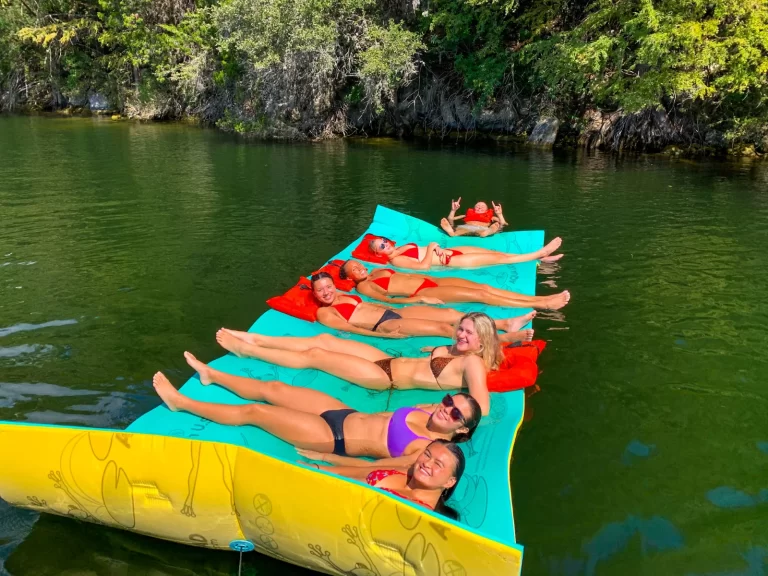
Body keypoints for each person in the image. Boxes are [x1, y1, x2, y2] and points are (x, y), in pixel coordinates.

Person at [152, 351, 483, 464]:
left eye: (456, 414)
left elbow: (375, 471)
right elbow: (443, 377)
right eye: (449, 402)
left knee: (257, 413)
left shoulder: (426, 449)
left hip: (333, 437)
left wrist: (328, 461)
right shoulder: (430, 408)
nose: (447, 409)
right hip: (344, 412)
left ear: (462, 428)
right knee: (275, 388)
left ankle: (180, 403)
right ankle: (212, 374)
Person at [214, 311, 503, 415]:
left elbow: (482, 406)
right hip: (389, 360)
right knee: (327, 339)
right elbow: (437, 357)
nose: (462, 335)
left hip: (384, 377)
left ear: (483, 341)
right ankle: (256, 339)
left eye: (470, 333)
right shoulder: (455, 348)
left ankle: (247, 351)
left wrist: (441, 410)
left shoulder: (473, 365)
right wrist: (435, 349)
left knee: (317, 356)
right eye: (462, 329)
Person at [311, 272, 535, 342]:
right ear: (314, 293)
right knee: (444, 329)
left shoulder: (342, 295)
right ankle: (499, 340)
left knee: (449, 314)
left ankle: (505, 323)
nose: (327, 292)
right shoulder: (325, 312)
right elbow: (350, 329)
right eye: (321, 290)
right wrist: (384, 337)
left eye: (328, 286)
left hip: (395, 312)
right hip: (385, 324)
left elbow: (373, 301)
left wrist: (416, 300)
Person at [305, 439, 466, 517]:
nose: (427, 463)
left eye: (438, 464)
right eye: (427, 454)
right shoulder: (405, 473)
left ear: (449, 482)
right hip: (318, 490)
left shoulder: (420, 514)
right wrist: (318, 467)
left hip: (331, 512)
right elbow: (358, 471)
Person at [339, 260, 571, 310]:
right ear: (349, 278)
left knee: (485, 287)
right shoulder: (363, 288)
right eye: (354, 270)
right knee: (480, 294)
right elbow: (389, 301)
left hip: (434, 280)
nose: (360, 269)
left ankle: (539, 299)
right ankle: (544, 305)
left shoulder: (378, 270)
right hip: (425, 290)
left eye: (359, 265)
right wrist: (420, 299)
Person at [366, 236, 562, 270]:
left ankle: (542, 261)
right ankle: (539, 253)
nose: (385, 244)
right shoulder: (397, 260)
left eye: (384, 241)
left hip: (451, 251)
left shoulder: (398, 248)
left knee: (494, 252)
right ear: (378, 255)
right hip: (451, 260)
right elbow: (423, 267)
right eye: (381, 246)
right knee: (498, 260)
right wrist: (433, 247)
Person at [441, 198, 507, 237]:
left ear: (487, 210)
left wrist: (499, 214)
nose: (480, 207)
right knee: (458, 229)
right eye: (477, 206)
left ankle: (488, 232)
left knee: (496, 228)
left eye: (482, 206)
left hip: (482, 228)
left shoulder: (492, 217)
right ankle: (452, 233)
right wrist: (453, 210)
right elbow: (451, 219)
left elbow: (503, 223)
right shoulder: (466, 215)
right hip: (466, 227)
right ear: (474, 208)